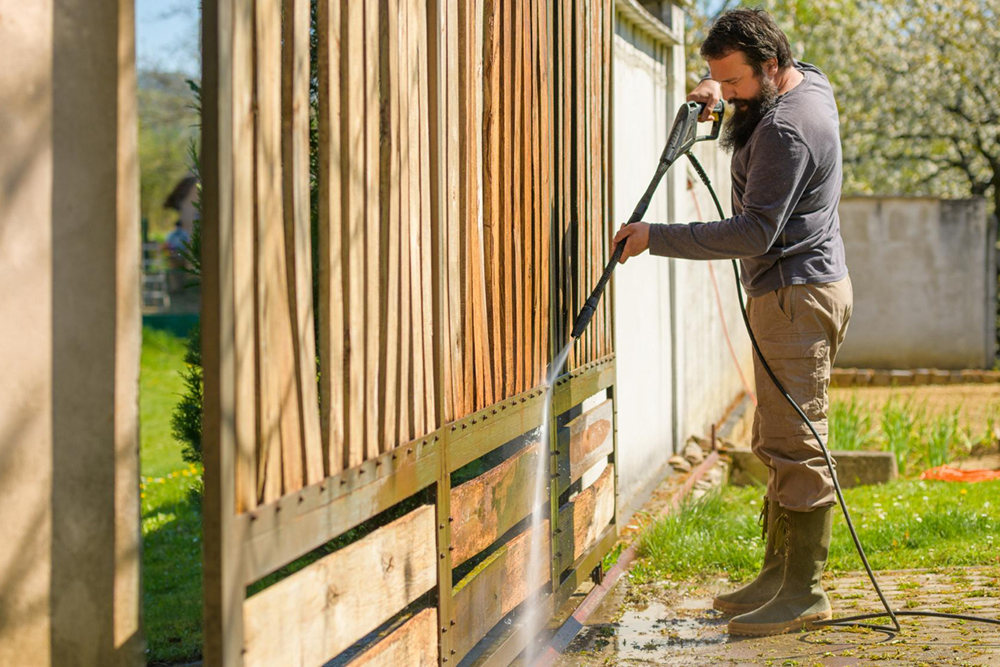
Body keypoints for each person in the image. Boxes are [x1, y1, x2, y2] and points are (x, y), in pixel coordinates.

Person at [612, 7, 852, 636]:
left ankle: (804, 592)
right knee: (775, 437)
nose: (728, 92)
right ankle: (777, 578)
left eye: (736, 81)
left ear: (770, 66)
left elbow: (753, 230)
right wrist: (715, 93)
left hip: (795, 297)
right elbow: (745, 102)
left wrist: (652, 237)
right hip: (799, 290)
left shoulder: (786, 133)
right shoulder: (806, 81)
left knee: (798, 445)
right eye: (719, 78)